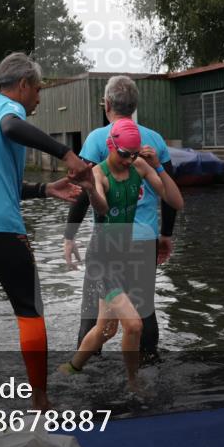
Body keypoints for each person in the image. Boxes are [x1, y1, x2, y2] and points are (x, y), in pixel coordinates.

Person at [0, 52, 91, 413]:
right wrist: (66, 154)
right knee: (30, 311)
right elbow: (12, 127)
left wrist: (45, 189)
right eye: (38, 89)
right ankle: (41, 400)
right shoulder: (2, 113)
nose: (39, 98)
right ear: (23, 86)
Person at [64, 76, 183, 362]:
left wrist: (70, 235)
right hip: (144, 240)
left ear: (106, 105)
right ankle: (149, 366)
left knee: (95, 314)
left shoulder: (97, 138)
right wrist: (165, 234)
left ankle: (88, 372)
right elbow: (168, 192)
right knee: (144, 310)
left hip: (108, 244)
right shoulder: (153, 139)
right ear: (135, 106)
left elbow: (83, 191)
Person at [59, 119, 172, 390]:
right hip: (103, 261)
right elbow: (98, 205)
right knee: (133, 325)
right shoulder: (98, 172)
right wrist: (86, 192)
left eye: (133, 154)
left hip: (128, 257)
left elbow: (168, 194)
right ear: (111, 146)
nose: (128, 159)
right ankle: (133, 384)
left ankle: (72, 367)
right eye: (124, 154)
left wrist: (156, 166)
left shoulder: (138, 166)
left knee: (105, 329)